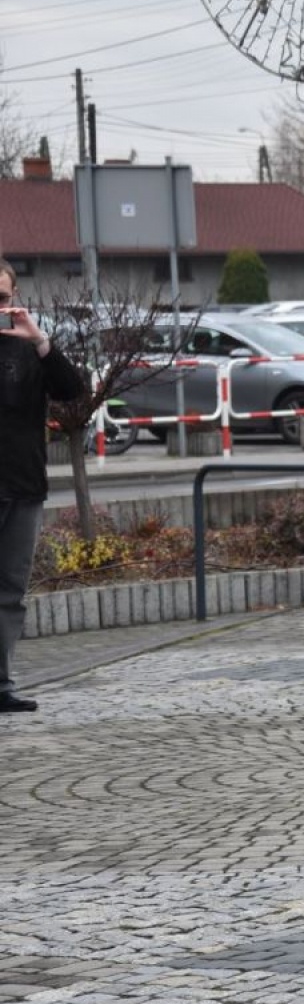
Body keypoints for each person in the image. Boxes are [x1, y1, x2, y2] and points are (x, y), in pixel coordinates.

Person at [1, 259, 85, 713]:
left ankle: (1, 684)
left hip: (24, 484)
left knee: (11, 592)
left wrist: (41, 342)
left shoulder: (30, 347)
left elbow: (73, 390)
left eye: (3, 298)